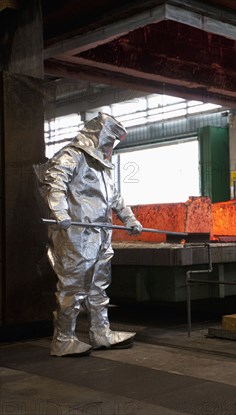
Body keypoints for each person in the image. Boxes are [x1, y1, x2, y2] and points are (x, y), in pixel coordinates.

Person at [38, 112, 143, 357]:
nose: (110, 146)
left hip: (101, 235)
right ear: (98, 134)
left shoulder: (103, 168)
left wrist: (130, 219)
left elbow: (115, 198)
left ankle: (101, 333)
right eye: (109, 140)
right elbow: (54, 182)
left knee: (98, 287)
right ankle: (63, 339)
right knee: (73, 288)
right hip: (76, 234)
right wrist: (60, 212)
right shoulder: (71, 156)